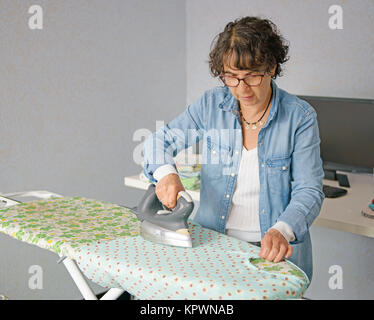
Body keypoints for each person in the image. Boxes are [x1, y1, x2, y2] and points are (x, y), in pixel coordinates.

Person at [143, 16, 325, 281]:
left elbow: (309, 189)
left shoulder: (299, 117)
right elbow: (158, 141)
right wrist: (165, 174)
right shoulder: (211, 105)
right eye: (231, 77)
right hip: (213, 245)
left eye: (252, 76)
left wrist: (282, 231)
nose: (242, 89)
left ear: (272, 67)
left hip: (272, 254)